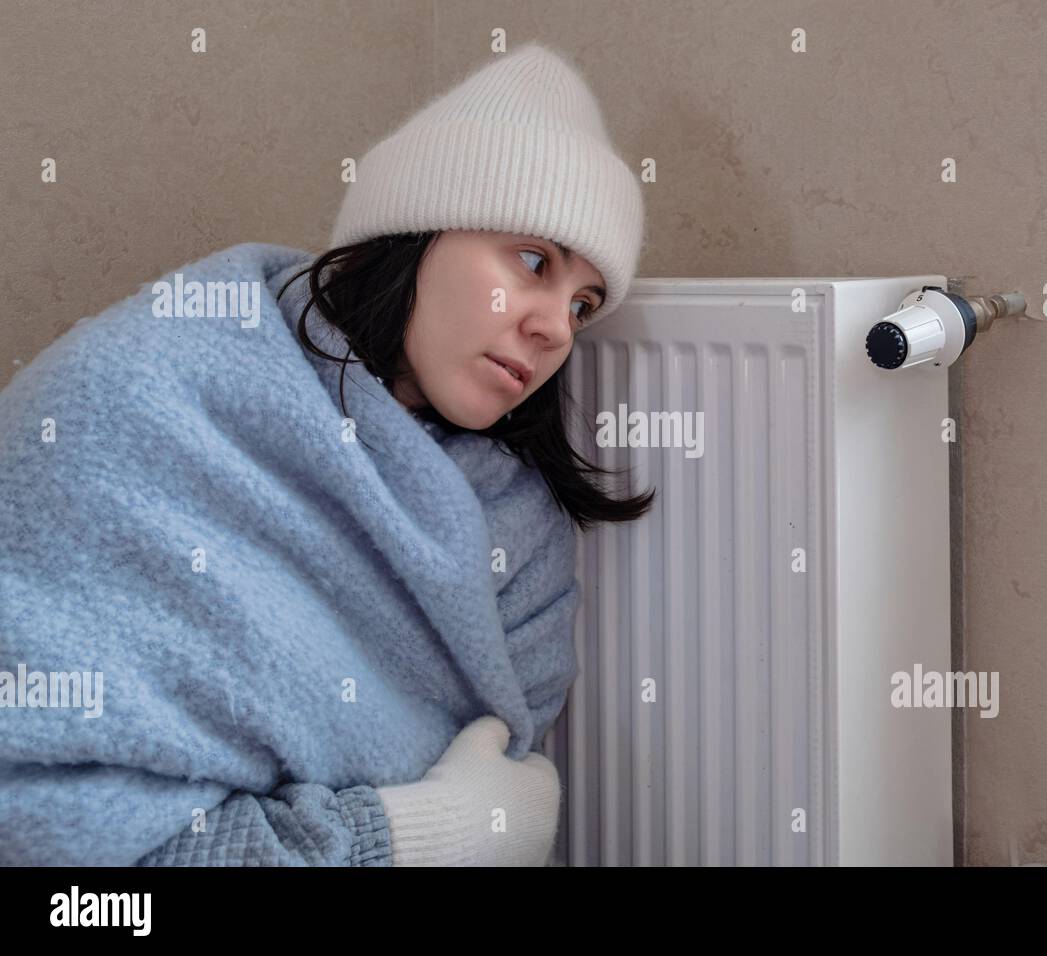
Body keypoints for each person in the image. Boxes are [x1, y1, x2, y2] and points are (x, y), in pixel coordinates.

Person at [0, 42, 652, 867]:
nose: (556, 326)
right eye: (532, 262)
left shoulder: (517, 532)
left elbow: (498, 767)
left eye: (583, 303)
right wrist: (409, 838)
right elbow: (56, 848)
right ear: (415, 232)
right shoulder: (144, 388)